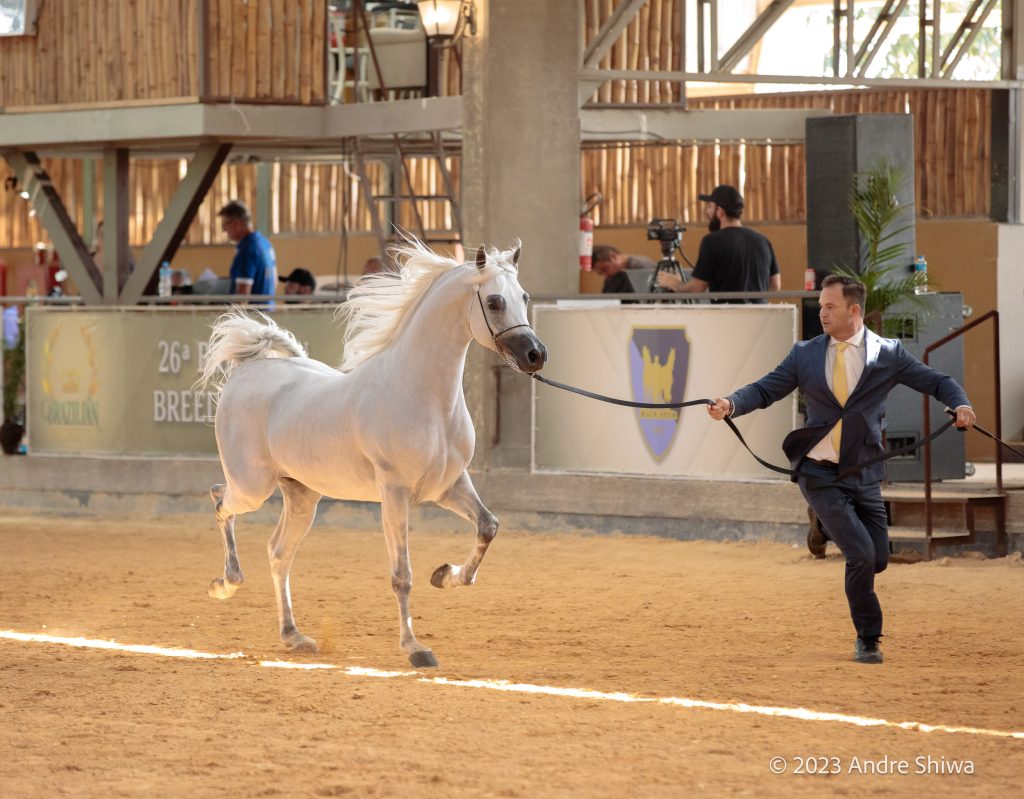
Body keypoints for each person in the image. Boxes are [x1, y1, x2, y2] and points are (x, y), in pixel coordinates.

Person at [706, 275, 975, 664]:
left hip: (863, 472)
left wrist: (960, 404)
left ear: (854, 310)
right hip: (818, 472)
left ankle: (822, 524)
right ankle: (869, 637)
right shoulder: (805, 354)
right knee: (862, 556)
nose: (821, 312)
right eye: (820, 305)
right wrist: (731, 404)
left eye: (829, 306)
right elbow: (765, 389)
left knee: (879, 558)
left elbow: (938, 382)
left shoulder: (888, 354)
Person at [656, 185, 781, 302]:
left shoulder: (712, 241)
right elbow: (775, 285)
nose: (707, 212)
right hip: (761, 318)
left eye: (710, 206)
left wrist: (677, 284)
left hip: (726, 320)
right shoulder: (763, 241)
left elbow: (697, 288)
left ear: (720, 212)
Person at [217, 200, 277, 299]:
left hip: (251, 313)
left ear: (236, 223)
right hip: (267, 311)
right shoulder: (265, 243)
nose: (224, 230)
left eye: (225, 225)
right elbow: (274, 282)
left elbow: (242, 295)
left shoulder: (247, 250)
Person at [592, 244, 656, 293]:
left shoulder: (643, 266)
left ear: (613, 256)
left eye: (605, 269)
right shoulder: (613, 276)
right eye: (601, 273)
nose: (606, 276)